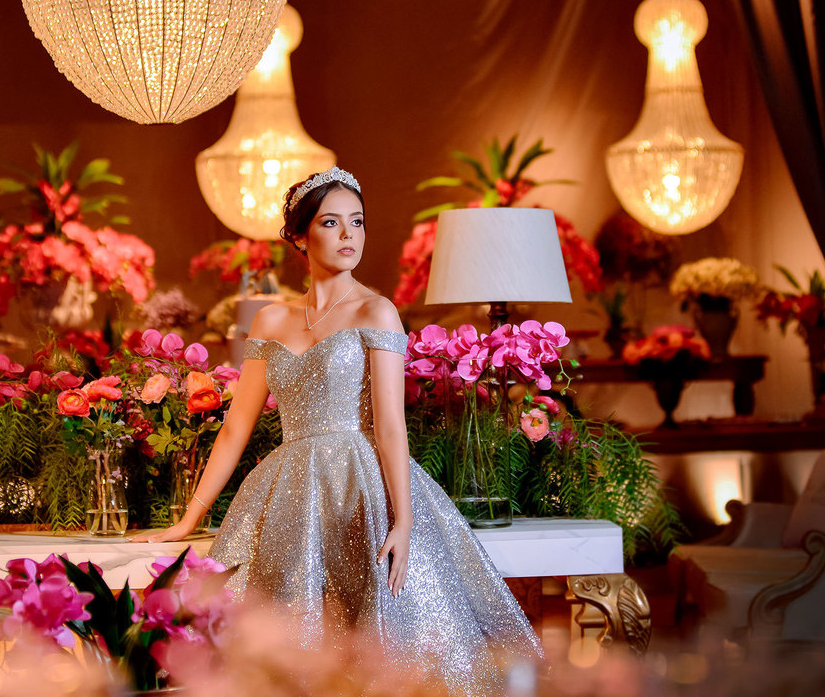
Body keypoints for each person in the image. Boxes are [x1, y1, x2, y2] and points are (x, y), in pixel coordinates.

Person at [133, 167, 542, 692]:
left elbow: (391, 427)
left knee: (374, 635)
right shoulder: (270, 321)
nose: (350, 235)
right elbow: (236, 428)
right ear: (301, 237)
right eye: (332, 222)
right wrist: (189, 517)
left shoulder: (377, 311)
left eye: (358, 222)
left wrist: (405, 520)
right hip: (288, 491)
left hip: (361, 484)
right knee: (279, 639)